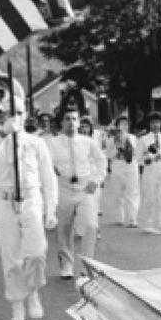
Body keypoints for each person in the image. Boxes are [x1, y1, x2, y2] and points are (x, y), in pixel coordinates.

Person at [0, 98, 58, 320]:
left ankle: (34, 291)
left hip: (31, 200)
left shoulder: (36, 143)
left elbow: (48, 178)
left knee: (37, 252)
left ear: (25, 114)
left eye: (18, 113)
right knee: (11, 258)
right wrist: (2, 133)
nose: (14, 117)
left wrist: (50, 209)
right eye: (9, 113)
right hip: (6, 201)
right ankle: (17, 305)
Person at [47, 106, 106, 279]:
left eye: (74, 119)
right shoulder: (53, 143)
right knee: (64, 229)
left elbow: (101, 161)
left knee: (91, 225)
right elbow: (45, 164)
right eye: (67, 119)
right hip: (63, 187)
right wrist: (53, 175)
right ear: (61, 122)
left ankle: (87, 265)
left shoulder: (88, 142)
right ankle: (66, 265)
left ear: (79, 122)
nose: (71, 123)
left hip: (84, 187)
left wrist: (96, 180)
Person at [138, 112, 161, 235]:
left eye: (157, 122)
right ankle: (148, 223)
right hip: (150, 169)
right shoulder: (143, 140)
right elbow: (138, 158)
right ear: (149, 124)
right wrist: (147, 158)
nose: (155, 125)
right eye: (152, 123)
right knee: (149, 197)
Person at [106, 116, 140, 227]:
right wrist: (117, 147)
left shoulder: (133, 138)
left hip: (130, 165)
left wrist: (128, 149)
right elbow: (108, 155)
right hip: (117, 164)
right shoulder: (112, 139)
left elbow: (137, 153)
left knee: (132, 192)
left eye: (126, 124)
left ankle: (132, 218)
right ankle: (118, 218)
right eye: (121, 124)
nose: (124, 126)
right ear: (117, 126)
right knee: (117, 192)